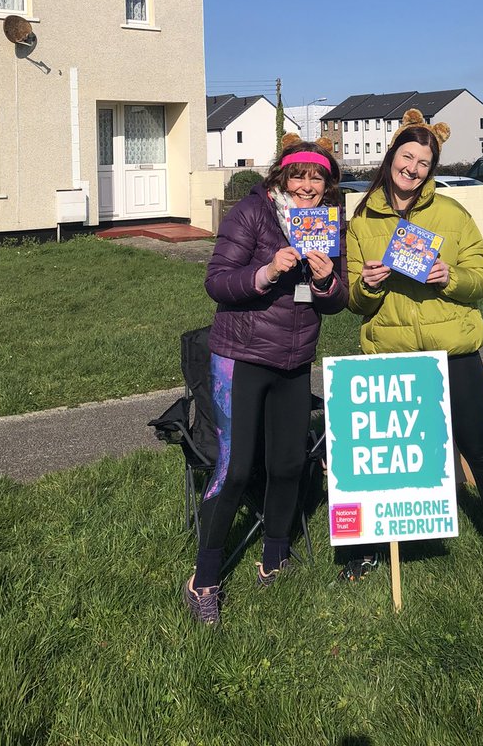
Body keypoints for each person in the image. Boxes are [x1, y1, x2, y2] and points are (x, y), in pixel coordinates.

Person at [344, 109, 483, 579]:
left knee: (479, 449)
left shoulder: (453, 214)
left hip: (454, 353)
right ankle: (368, 552)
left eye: (424, 163)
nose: (413, 169)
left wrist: (450, 277)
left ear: (431, 169)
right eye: (407, 156)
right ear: (391, 157)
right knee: (384, 462)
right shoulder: (362, 218)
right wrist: (370, 284)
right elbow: (353, 300)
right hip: (392, 355)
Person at [184, 135, 348, 625]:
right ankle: (204, 580)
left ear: (327, 185)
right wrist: (266, 271)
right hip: (242, 356)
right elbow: (216, 281)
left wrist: (324, 282)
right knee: (234, 469)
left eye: (316, 178)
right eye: (298, 175)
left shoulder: (326, 225)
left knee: (287, 464)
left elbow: (335, 301)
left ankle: (273, 560)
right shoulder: (252, 214)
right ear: (281, 176)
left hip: (295, 360)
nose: (306, 185)